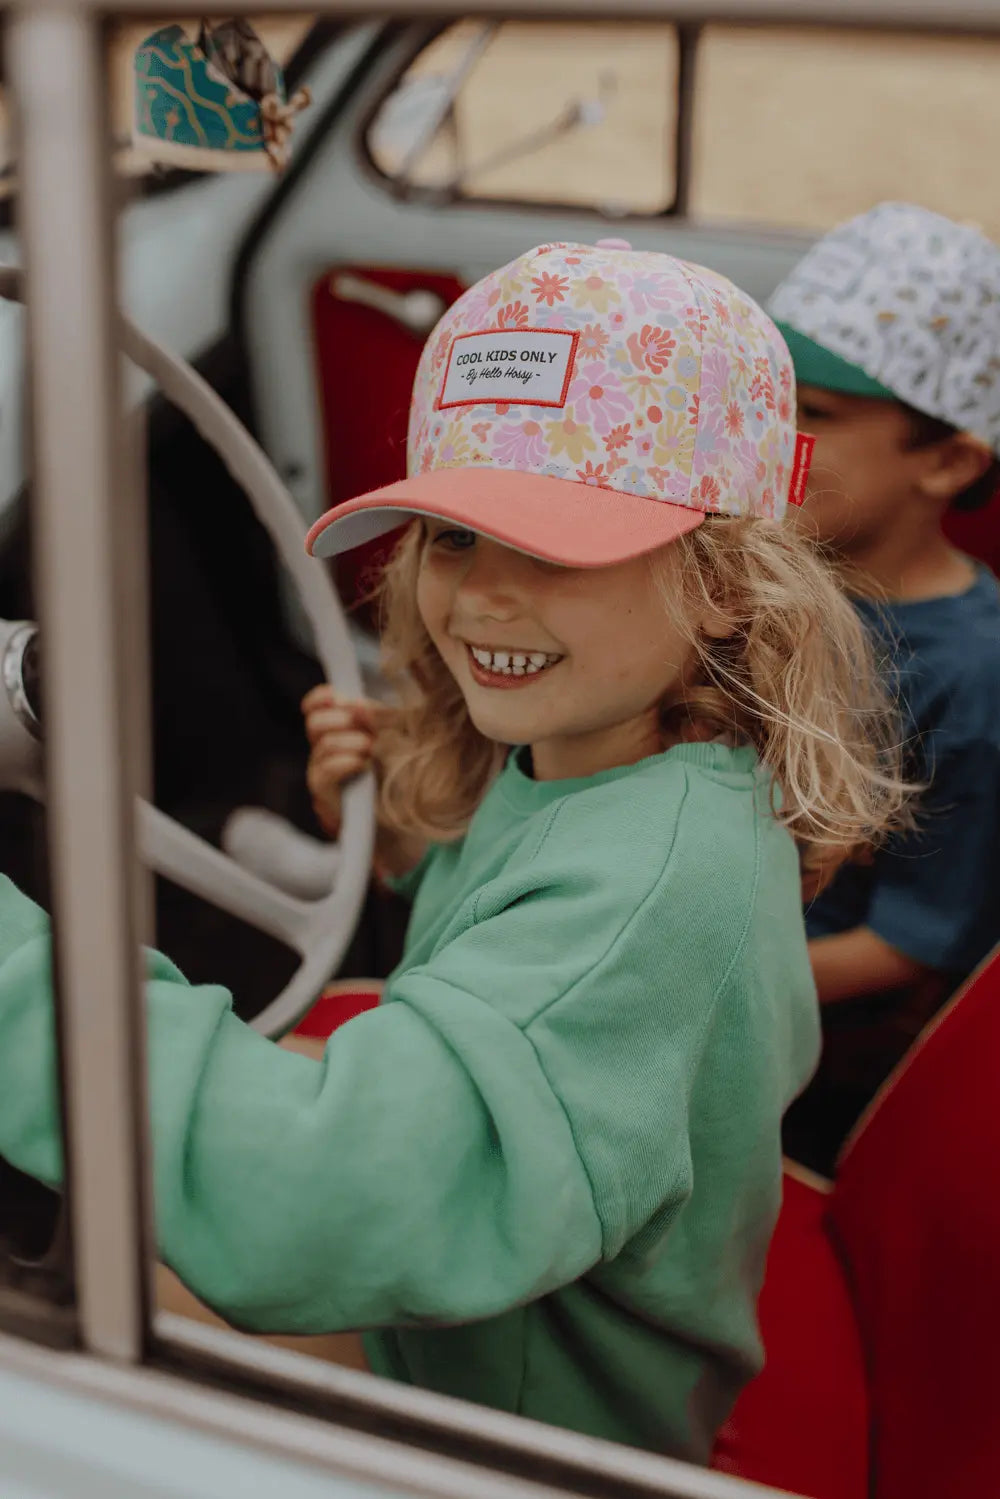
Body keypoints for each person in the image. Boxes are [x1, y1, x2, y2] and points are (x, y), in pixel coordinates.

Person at [0, 242, 907, 1461]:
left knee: (77, 1330)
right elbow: (502, 930)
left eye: (556, 549)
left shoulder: (647, 888)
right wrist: (389, 818)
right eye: (454, 538)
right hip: (505, 1302)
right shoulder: (624, 759)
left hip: (528, 1414)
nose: (478, 597)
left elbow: (319, 1204)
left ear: (723, 584)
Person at [766, 203, 1000, 1170]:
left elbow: (914, 943)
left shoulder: (972, 678)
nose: (775, 438)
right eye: (773, 400)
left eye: (814, 417)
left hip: (791, 1023)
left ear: (946, 459)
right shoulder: (772, 571)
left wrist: (712, 980)